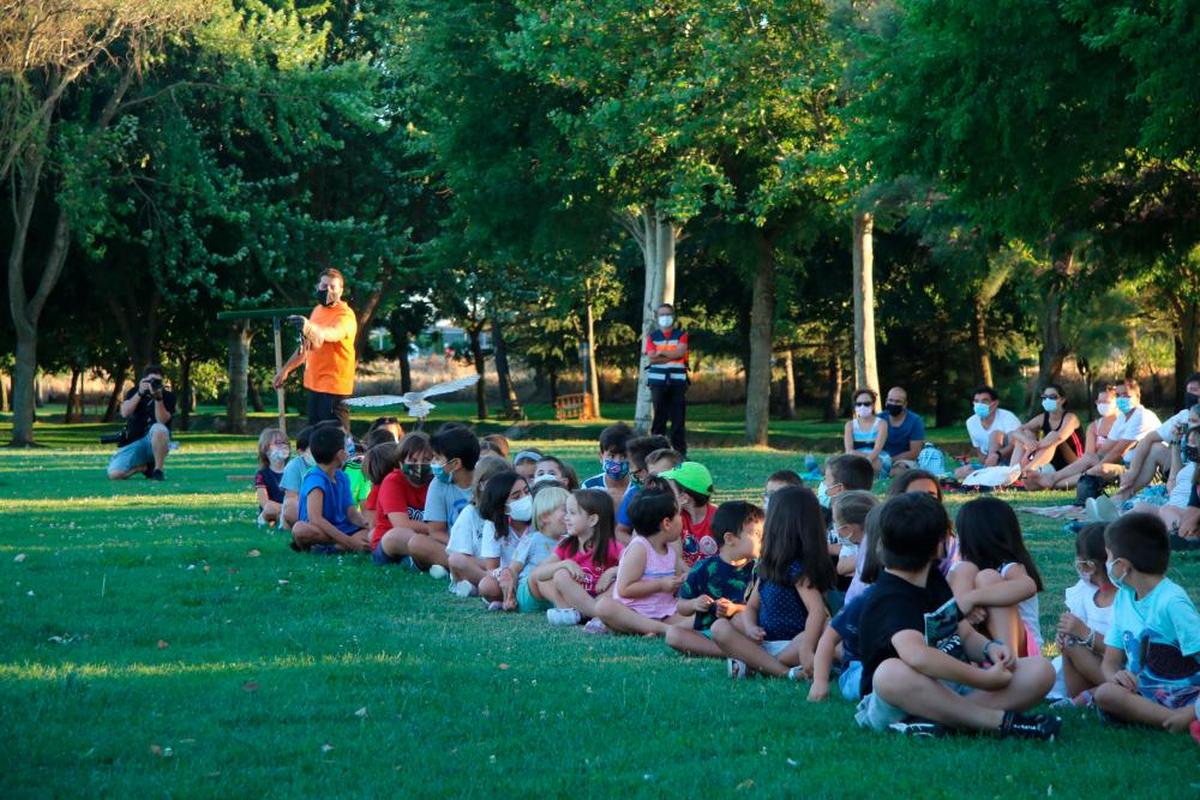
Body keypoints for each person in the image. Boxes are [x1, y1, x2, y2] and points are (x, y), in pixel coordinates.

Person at [854, 492, 1060, 740]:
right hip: (898, 701)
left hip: (953, 689)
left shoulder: (934, 580)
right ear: (939, 546)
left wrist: (988, 649)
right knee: (890, 673)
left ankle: (939, 721)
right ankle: (998, 722)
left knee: (1041, 669)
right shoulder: (890, 597)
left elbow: (961, 631)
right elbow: (917, 657)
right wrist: (983, 678)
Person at [1093, 513, 1200, 736]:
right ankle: (1172, 720)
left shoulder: (1172, 601)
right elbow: (1110, 661)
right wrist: (1115, 676)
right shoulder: (1124, 597)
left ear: (1122, 565)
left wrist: (1193, 709)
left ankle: (1187, 716)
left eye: (1108, 556)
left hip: (1191, 695)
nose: (1107, 563)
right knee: (1105, 693)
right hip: (1146, 695)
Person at [713, 486, 835, 680]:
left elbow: (817, 611)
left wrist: (806, 649)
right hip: (764, 641)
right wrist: (751, 627)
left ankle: (756, 663)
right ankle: (782, 671)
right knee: (720, 627)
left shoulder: (798, 568)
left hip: (793, 644)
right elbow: (751, 607)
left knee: (823, 629)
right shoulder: (767, 565)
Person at [949, 497, 1045, 658]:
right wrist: (966, 609)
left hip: (1023, 653)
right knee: (963, 570)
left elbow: (1028, 586)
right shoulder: (963, 570)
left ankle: (1008, 662)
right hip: (979, 647)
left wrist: (972, 598)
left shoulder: (1009, 568)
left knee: (987, 578)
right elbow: (954, 608)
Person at [666, 501, 763, 658]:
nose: (762, 539)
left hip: (740, 628)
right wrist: (695, 603)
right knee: (673, 634)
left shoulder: (758, 570)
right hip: (707, 631)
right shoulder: (702, 569)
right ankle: (729, 652)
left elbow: (760, 609)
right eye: (756, 534)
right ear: (730, 539)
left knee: (739, 618)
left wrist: (735, 608)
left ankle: (740, 649)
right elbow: (681, 607)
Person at [593, 478, 690, 636]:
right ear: (667, 523)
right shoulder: (640, 548)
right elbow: (624, 589)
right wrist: (660, 585)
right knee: (604, 607)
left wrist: (683, 580)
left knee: (701, 616)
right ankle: (661, 629)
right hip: (635, 612)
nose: (681, 520)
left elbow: (676, 581)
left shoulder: (670, 550)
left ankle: (653, 628)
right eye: (679, 516)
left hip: (665, 612)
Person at [809, 504, 884, 703]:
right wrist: (820, 682)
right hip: (859, 670)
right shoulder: (867, 598)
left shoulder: (927, 591)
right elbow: (828, 640)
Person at [273, 268, 357, 430]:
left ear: (341, 291)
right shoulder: (317, 311)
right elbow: (307, 347)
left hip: (334, 390)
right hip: (314, 385)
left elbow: (331, 334)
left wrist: (309, 328)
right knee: (316, 440)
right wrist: (285, 370)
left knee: (337, 443)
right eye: (325, 286)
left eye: (333, 287)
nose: (328, 290)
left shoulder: (345, 316)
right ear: (318, 286)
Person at [531, 489, 624, 626]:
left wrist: (611, 572)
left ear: (592, 520)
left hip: (603, 597)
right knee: (560, 575)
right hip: (577, 599)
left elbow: (636, 568)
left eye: (572, 513)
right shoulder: (566, 545)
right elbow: (538, 574)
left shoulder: (613, 546)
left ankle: (584, 615)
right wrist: (564, 564)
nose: (566, 517)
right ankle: (598, 615)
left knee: (619, 581)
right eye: (566, 512)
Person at [1049, 523, 1115, 707]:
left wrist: (1085, 633)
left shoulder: (1125, 599)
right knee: (1070, 641)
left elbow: (1123, 653)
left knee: (1075, 638)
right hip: (1089, 666)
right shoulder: (1084, 591)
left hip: (1117, 670)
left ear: (1089, 566)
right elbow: (1072, 633)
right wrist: (1063, 637)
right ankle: (1083, 696)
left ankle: (1093, 696)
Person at [1112, 372, 1200, 504]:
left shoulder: (1141, 415)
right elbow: (1148, 439)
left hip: (1194, 470)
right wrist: (1132, 472)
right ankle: (1123, 495)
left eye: (1194, 391)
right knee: (1155, 449)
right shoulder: (1184, 416)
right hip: (1180, 466)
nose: (1189, 396)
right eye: (1187, 392)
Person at [290, 425, 370, 553]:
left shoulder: (342, 477)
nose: (349, 450)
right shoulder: (315, 479)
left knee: (371, 534)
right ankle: (342, 545)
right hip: (318, 529)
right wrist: (350, 542)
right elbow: (316, 519)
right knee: (300, 529)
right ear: (340, 454)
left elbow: (350, 512)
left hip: (342, 528)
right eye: (346, 447)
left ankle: (333, 547)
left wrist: (366, 524)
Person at [413, 425, 481, 575]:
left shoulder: (486, 483)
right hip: (454, 545)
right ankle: (472, 567)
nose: (433, 463)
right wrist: (463, 548)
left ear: (456, 464)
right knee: (417, 543)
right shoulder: (438, 485)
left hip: (487, 547)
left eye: (438, 458)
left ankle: (464, 569)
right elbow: (436, 532)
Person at [1024, 386, 1119, 491]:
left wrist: (1035, 446)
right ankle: (1038, 477)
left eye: (1106, 401)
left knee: (1098, 469)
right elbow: (1088, 456)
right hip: (1092, 465)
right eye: (1099, 401)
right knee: (1091, 467)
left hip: (1112, 466)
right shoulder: (1094, 426)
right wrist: (1028, 442)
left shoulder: (1123, 423)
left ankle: (1048, 480)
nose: (1102, 405)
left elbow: (1118, 452)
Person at [445, 456, 513, 597]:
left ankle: (487, 588)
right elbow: (460, 557)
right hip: (481, 569)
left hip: (508, 568)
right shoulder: (470, 513)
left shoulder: (513, 512)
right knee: (456, 560)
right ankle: (490, 586)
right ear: (481, 485)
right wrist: (494, 567)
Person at [501, 486, 570, 613]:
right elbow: (513, 569)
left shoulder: (570, 541)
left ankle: (573, 606)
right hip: (529, 594)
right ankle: (566, 609)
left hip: (554, 593)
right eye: (566, 511)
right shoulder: (532, 540)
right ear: (545, 517)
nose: (570, 516)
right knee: (539, 575)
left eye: (572, 512)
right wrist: (509, 596)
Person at [1082, 379, 1161, 487]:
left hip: (1144, 471)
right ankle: (1054, 479)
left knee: (1102, 469)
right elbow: (1104, 450)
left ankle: (1081, 478)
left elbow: (1119, 451)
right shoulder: (1122, 418)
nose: (1121, 399)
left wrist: (1093, 469)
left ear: (1137, 397)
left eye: (1126, 395)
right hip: (1126, 465)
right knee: (1091, 458)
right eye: (1118, 395)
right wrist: (1092, 462)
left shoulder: (1141, 416)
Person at [372, 432, 433, 565]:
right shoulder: (393, 481)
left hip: (430, 538)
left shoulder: (435, 483)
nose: (420, 465)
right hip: (390, 547)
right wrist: (437, 531)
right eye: (413, 461)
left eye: (426, 460)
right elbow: (402, 525)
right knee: (396, 535)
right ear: (401, 463)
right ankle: (431, 558)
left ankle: (421, 561)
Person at [106, 364, 176, 481]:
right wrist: (139, 393)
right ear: (143, 381)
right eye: (150, 381)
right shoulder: (133, 392)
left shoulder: (168, 396)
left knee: (159, 428)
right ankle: (144, 468)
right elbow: (125, 413)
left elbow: (162, 420)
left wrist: (158, 398)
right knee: (115, 475)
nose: (153, 383)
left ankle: (158, 470)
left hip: (155, 442)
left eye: (157, 381)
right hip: (133, 441)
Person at [477, 474, 534, 607]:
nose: (525, 498)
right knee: (486, 585)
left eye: (526, 491)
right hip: (508, 580)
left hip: (535, 577)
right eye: (516, 496)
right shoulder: (493, 526)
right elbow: (491, 568)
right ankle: (509, 597)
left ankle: (513, 600)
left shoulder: (539, 518)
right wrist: (504, 574)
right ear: (502, 506)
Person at [1008, 383, 1082, 480]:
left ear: (1062, 400)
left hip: (1074, 463)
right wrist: (1028, 441)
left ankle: (1026, 471)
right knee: (1027, 433)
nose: (1048, 400)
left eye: (1052, 397)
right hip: (1051, 462)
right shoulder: (1043, 418)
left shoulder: (1070, 418)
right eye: (1044, 397)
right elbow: (1016, 431)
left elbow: (1060, 437)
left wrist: (1033, 448)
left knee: (1053, 436)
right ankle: (1012, 473)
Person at [645, 303, 689, 455]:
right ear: (657, 318)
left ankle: (680, 454)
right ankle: (655, 453)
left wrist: (660, 354)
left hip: (678, 382)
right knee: (659, 419)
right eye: (662, 315)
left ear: (673, 317)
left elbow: (680, 353)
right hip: (658, 382)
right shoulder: (652, 337)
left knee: (678, 420)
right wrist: (671, 354)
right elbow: (651, 358)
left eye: (668, 314)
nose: (665, 318)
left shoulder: (681, 335)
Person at [953, 385, 1022, 481]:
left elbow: (1016, 444)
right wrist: (984, 464)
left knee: (995, 435)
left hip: (1013, 461)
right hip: (992, 463)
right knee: (959, 472)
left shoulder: (1008, 417)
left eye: (984, 401)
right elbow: (980, 453)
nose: (979, 405)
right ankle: (990, 474)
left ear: (995, 403)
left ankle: (993, 475)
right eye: (976, 401)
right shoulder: (971, 422)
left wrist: (997, 455)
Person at [660, 461, 718, 568]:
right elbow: (677, 559)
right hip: (687, 578)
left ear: (683, 498)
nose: (665, 494)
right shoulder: (675, 518)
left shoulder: (718, 518)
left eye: (669, 490)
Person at [614, 436, 672, 541]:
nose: (631, 473)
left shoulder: (679, 495)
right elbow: (620, 531)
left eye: (637, 472)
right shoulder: (634, 495)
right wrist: (644, 547)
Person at [582, 423, 636, 512]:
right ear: (601, 457)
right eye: (611, 456)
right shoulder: (590, 487)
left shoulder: (639, 487)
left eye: (624, 456)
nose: (617, 462)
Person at [844, 388, 890, 476]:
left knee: (869, 465)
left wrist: (867, 460)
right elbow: (849, 450)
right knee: (836, 461)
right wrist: (862, 457)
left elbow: (877, 450)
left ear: (873, 405)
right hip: (855, 459)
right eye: (859, 404)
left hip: (877, 459)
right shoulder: (849, 425)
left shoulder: (881, 424)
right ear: (855, 406)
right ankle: (817, 471)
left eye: (866, 404)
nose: (862, 407)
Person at [879, 386, 926, 471]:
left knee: (898, 470)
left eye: (898, 402)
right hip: (881, 458)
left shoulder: (915, 421)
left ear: (904, 405)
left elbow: (914, 452)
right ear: (886, 402)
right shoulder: (879, 419)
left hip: (905, 461)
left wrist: (889, 460)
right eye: (891, 400)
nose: (893, 404)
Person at [280, 424, 316, 529]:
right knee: (290, 506)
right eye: (312, 449)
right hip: (301, 507)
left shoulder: (328, 464)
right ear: (301, 452)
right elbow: (291, 497)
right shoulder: (294, 466)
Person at [253, 427, 290, 527]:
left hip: (289, 508)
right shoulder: (262, 474)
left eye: (285, 443)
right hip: (272, 510)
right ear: (265, 449)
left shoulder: (293, 470)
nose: (282, 446)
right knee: (270, 508)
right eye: (277, 443)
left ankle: (285, 519)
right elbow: (264, 503)